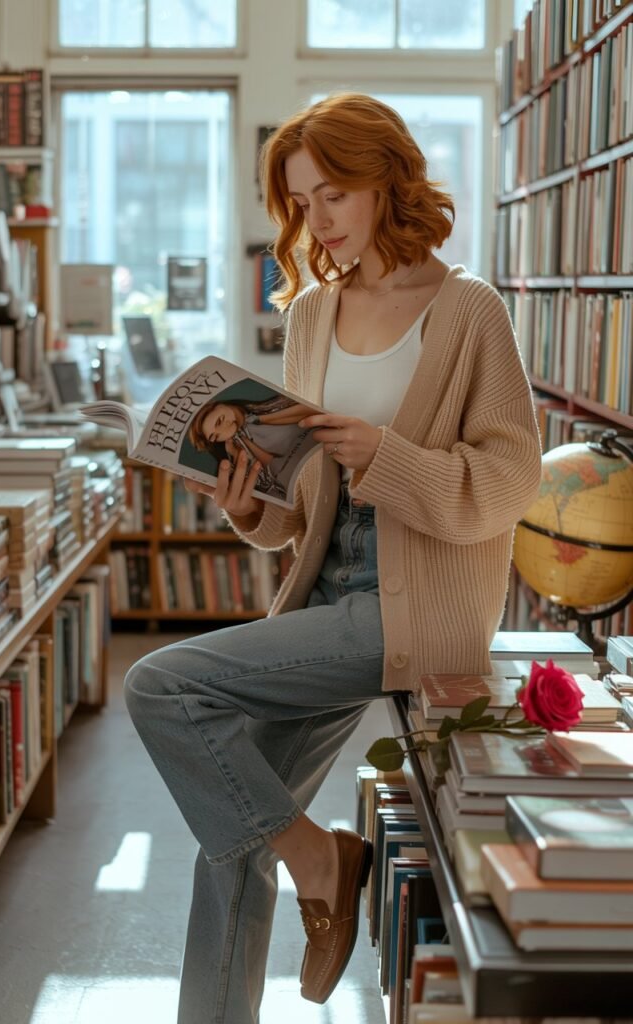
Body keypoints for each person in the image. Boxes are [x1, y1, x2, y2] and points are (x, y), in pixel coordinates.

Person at [124, 92, 542, 1024]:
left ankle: (322, 859)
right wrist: (249, 510)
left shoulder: (471, 311)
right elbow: (302, 504)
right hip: (325, 594)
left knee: (160, 686)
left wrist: (386, 457)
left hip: (415, 605)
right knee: (231, 840)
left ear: (388, 183)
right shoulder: (312, 311)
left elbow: (512, 479)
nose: (315, 219)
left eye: (333, 195)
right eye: (302, 201)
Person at [186, 395, 315, 502]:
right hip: (304, 479)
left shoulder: (262, 411)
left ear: (219, 405)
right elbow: (275, 474)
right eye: (215, 436)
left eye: (220, 421)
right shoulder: (238, 450)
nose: (223, 430)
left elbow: (309, 410)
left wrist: (261, 419)